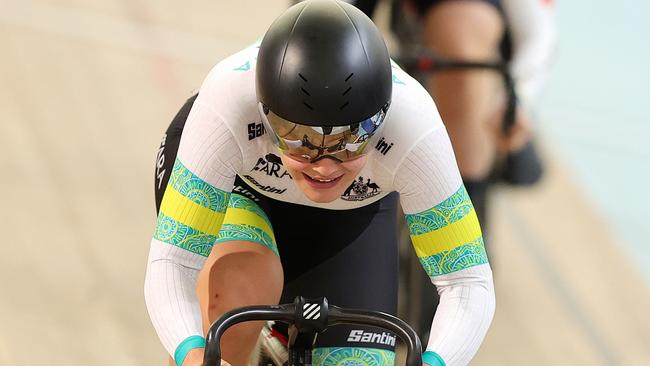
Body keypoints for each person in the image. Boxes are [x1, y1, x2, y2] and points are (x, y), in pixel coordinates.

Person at [145, 1, 495, 365]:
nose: (324, 168)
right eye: (297, 140)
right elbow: (173, 263)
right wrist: (191, 353)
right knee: (240, 290)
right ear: (264, 113)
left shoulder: (415, 128)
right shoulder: (229, 100)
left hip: (350, 216)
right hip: (242, 185)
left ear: (383, 118)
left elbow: (467, 283)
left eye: (352, 141)